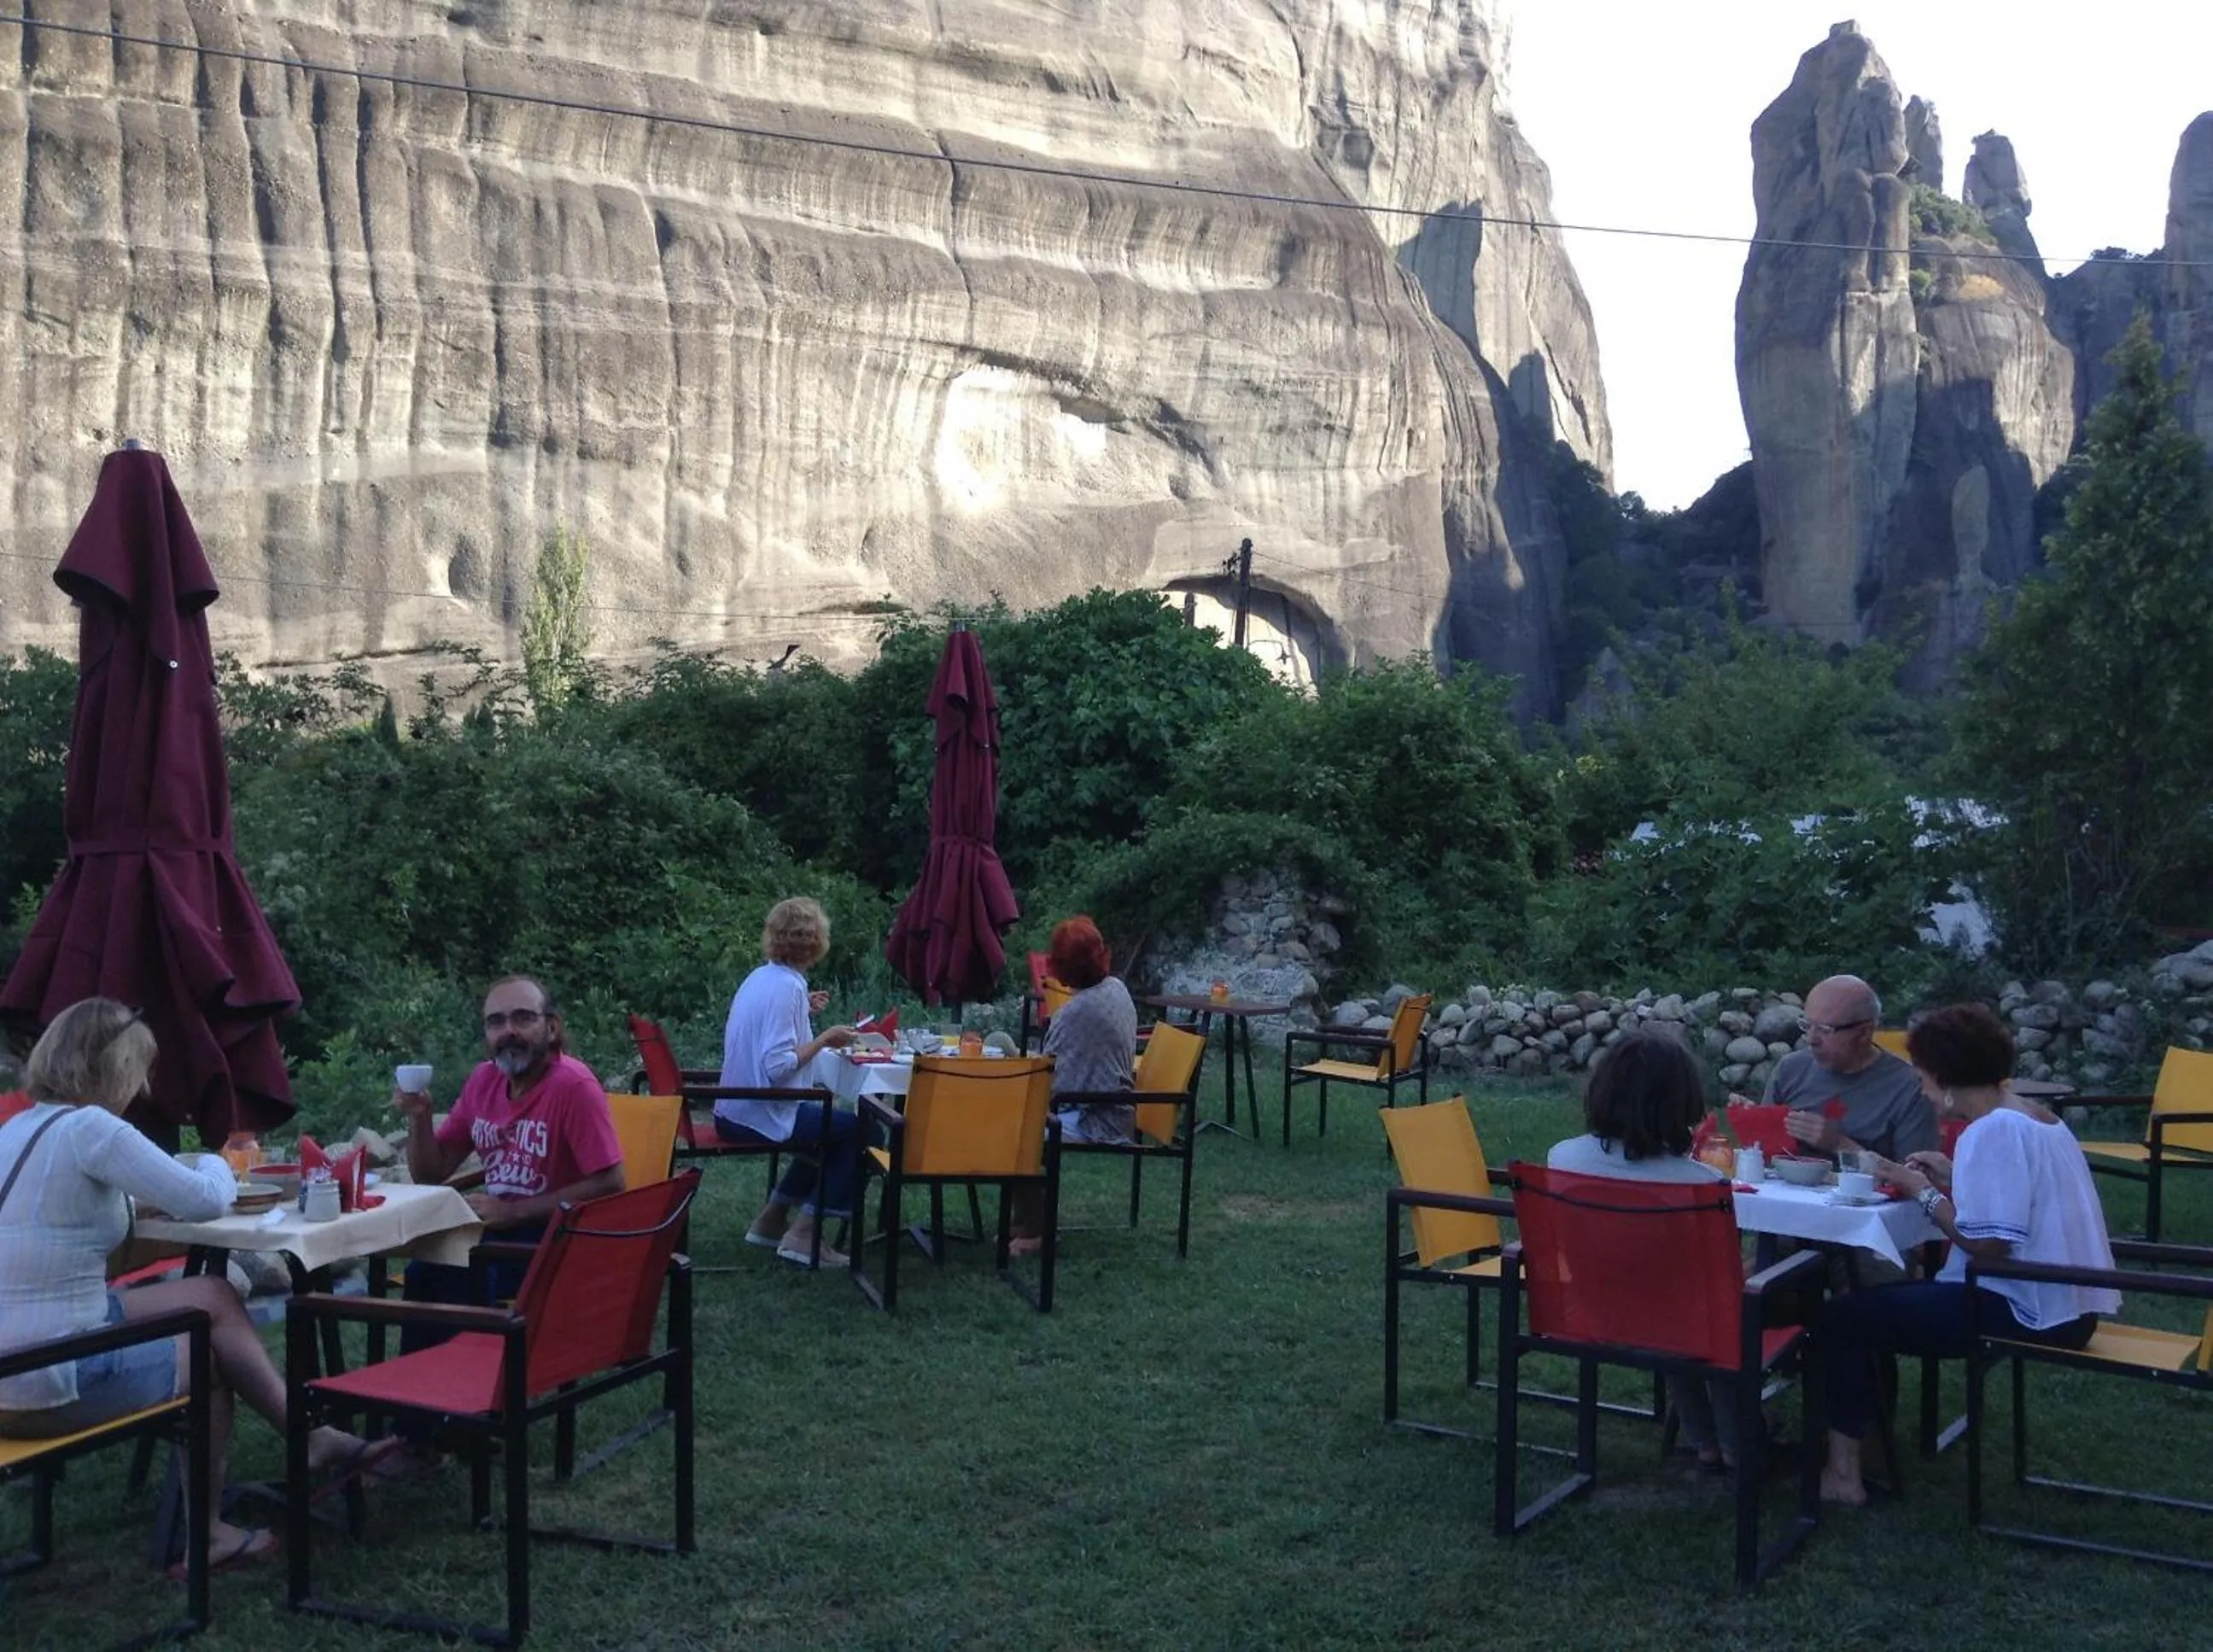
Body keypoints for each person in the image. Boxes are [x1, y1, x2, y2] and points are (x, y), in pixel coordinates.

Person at [0, 998, 391, 1573]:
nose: (143, 1084)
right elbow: (207, 1195)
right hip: (49, 1381)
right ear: (118, 1065)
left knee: (211, 1297)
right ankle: (207, 1533)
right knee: (208, 1356)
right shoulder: (92, 1127)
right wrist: (217, 1158)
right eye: (141, 1068)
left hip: (14, 1364)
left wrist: (141, 1194)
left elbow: (65, 1209)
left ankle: (310, 1437)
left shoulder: (18, 1130)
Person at [1817, 1003, 2117, 1506]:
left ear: (1945, 1076)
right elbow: (2026, 1198)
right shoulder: (2034, 1118)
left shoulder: (1990, 1131)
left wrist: (1921, 1192)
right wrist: (1954, 1174)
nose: (1921, 1089)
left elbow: (1990, 1245)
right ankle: (1864, 1447)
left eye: (1923, 1078)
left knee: (1844, 1318)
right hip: (2071, 1303)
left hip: (2026, 1308)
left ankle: (1842, 1476)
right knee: (1871, 1306)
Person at [392, 974, 624, 1373]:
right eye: (496, 1022)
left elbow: (611, 1183)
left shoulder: (574, 1086)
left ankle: (468, 1408)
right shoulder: (484, 1080)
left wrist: (515, 1212)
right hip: (498, 1234)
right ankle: (420, 1407)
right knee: (423, 1272)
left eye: (522, 1018)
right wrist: (421, 1119)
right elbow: (432, 1173)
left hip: (558, 1239)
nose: (508, 1032)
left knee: (457, 1276)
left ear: (551, 1028)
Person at [1546, 1028, 1743, 1473]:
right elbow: (1720, 1286)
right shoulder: (1703, 1184)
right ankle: (1738, 1448)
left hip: (1587, 1314)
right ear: (1683, 1103)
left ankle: (1705, 1443)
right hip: (1678, 1328)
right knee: (1724, 1311)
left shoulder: (1562, 1159)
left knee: (1676, 1303)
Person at [715, 897, 872, 1268]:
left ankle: (771, 1220)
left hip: (733, 1106)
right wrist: (825, 1039)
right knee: (861, 1132)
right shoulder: (788, 987)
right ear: (815, 942)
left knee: (830, 1128)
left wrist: (803, 1010)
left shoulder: (763, 977)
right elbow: (777, 1067)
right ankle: (804, 1235)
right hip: (757, 1111)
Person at [1009, 916, 1137, 1255]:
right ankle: (1026, 1219)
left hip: (1098, 1117)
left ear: (1061, 966)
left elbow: (1048, 1079)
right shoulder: (1116, 989)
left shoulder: (1075, 1012)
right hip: (1115, 1107)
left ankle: (1039, 1230)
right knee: (1022, 1120)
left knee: (1015, 1131)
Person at [1749, 974, 1937, 1165]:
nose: (1812, 1039)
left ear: (1864, 1032)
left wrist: (1839, 1145)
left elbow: (1918, 1183)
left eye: (1825, 1029)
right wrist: (1751, 1119)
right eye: (1807, 1026)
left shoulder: (1910, 1089)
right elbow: (1763, 1155)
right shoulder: (1791, 1069)